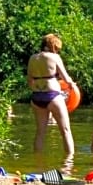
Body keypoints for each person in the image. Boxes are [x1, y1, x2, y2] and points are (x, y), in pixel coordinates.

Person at [27, 33, 77, 169]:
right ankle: (68, 166)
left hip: (37, 96)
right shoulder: (55, 57)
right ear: (54, 46)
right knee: (65, 130)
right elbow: (66, 78)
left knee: (40, 132)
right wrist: (73, 85)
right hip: (53, 95)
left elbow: (29, 81)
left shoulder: (32, 58)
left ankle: (38, 165)